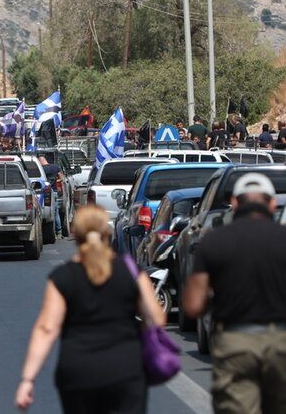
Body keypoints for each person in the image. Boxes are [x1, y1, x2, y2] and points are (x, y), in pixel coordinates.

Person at [15, 205, 163, 413]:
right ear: (107, 233)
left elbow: (46, 329)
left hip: (79, 370)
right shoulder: (130, 271)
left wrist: (28, 379)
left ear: (76, 235)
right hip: (125, 368)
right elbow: (156, 318)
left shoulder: (63, 277)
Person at [183, 173, 286, 414]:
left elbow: (193, 305)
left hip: (236, 341)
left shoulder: (215, 241)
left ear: (235, 203)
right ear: (271, 204)